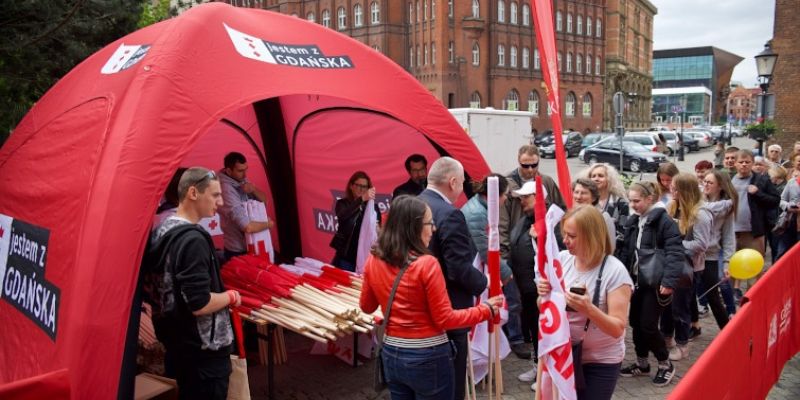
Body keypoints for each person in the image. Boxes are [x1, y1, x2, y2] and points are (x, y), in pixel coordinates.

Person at [359, 195, 503, 400]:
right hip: (428, 356)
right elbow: (445, 319)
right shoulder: (426, 264)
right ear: (414, 227)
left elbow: (366, 306)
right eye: (429, 223)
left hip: (392, 352)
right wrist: (485, 310)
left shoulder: (374, 259)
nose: (434, 229)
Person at [149, 167, 239, 400]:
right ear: (193, 193)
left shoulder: (162, 231)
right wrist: (230, 296)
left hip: (179, 346)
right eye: (215, 195)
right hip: (204, 354)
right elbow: (199, 303)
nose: (220, 202)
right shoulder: (192, 240)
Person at [536, 206, 633, 400]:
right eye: (564, 234)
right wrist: (543, 296)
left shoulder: (615, 271)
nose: (564, 241)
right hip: (563, 355)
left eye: (571, 236)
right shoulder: (561, 260)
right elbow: (545, 309)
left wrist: (588, 309)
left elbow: (617, 328)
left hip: (600, 361)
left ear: (591, 236)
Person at [418, 157, 489, 400]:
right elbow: (458, 268)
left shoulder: (410, 204)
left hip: (416, 311)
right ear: (453, 181)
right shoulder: (449, 214)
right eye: (462, 183)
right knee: (450, 385)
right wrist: (485, 282)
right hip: (448, 310)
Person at [617, 181, 683, 387]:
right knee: (636, 323)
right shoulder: (634, 220)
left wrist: (669, 281)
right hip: (636, 281)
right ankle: (642, 363)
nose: (633, 205)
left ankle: (665, 364)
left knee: (647, 324)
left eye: (637, 201)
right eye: (631, 201)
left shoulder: (664, 221)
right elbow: (627, 251)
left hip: (655, 282)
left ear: (650, 199)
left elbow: (675, 252)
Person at [460, 174, 528, 359]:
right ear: (493, 195)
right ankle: (508, 344)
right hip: (479, 270)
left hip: (484, 267)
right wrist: (506, 273)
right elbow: (486, 251)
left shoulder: (482, 207)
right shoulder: (477, 214)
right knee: (508, 302)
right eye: (504, 194)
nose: (506, 198)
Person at [661, 174, 715, 361]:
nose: (671, 190)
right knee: (666, 305)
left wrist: (675, 245)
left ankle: (683, 345)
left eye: (675, 188)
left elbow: (701, 245)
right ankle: (667, 338)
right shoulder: (673, 207)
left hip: (689, 269)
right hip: (671, 265)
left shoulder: (700, 214)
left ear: (685, 190)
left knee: (680, 307)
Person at [507, 181, 548, 384]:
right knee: (532, 329)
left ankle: (546, 372)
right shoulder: (525, 219)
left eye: (526, 196)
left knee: (542, 330)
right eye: (521, 196)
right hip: (526, 287)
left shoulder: (551, 221)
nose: (521, 200)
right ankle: (537, 365)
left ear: (539, 198)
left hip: (540, 289)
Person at [500, 144, 567, 261]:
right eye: (525, 166)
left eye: (534, 165)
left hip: (543, 246)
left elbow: (561, 210)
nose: (530, 169)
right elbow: (502, 223)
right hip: (517, 246)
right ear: (518, 161)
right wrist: (505, 256)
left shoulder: (547, 181)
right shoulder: (507, 184)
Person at [731, 149, 780, 293]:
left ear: (752, 163)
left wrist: (758, 193)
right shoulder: (730, 180)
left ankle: (752, 297)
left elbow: (775, 200)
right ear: (735, 164)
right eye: (741, 162)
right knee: (733, 265)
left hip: (753, 232)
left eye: (747, 162)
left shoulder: (762, 179)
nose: (744, 165)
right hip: (732, 232)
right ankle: (734, 296)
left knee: (753, 267)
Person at [218, 152, 273, 260]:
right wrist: (268, 224)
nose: (245, 174)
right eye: (240, 171)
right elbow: (247, 226)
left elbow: (265, 201)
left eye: (246, 169)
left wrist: (253, 189)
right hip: (237, 251)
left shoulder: (240, 179)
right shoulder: (226, 190)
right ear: (229, 171)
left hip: (252, 244)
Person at [702, 170, 738, 318]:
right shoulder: (697, 201)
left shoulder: (726, 208)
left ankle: (731, 315)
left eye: (710, 182)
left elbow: (729, 235)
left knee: (718, 286)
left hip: (712, 252)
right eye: (704, 181)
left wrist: (727, 262)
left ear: (720, 186)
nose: (705, 184)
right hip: (695, 252)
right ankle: (694, 322)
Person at [330, 171, 381, 272]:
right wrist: (361, 199)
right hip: (346, 258)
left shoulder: (373, 207)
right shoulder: (342, 203)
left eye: (364, 186)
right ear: (351, 186)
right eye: (358, 185)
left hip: (366, 258)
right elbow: (343, 216)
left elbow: (377, 230)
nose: (361, 189)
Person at [582, 163, 629, 243]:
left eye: (600, 176)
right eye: (593, 176)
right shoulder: (585, 202)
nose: (596, 179)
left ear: (609, 179)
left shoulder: (621, 204)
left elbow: (623, 233)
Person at [572, 178, 616, 251]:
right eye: (576, 192)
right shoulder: (572, 214)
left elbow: (610, 247)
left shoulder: (603, 217)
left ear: (594, 198)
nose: (578, 197)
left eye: (584, 193)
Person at [777, 169, 800, 259]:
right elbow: (781, 200)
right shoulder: (792, 182)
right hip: (789, 222)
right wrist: (788, 206)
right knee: (782, 253)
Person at [768, 166, 789, 263]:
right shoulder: (774, 187)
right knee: (774, 248)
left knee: (778, 249)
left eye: (770, 175)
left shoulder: (784, 188)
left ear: (776, 176)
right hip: (774, 221)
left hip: (780, 223)